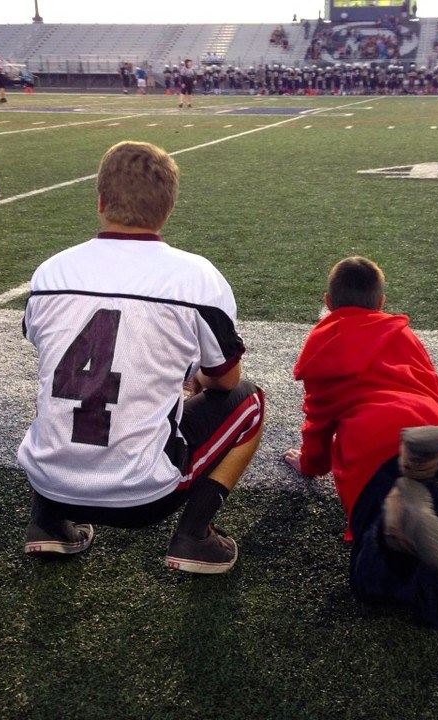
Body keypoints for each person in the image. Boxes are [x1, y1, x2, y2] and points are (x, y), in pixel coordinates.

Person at [18, 141, 265, 574]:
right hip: (142, 498)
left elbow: (54, 353)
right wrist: (191, 377)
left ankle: (48, 522)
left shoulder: (49, 273)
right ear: (167, 208)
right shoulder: (196, 277)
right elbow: (226, 382)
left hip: (48, 481)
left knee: (63, 395)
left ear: (99, 201)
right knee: (250, 401)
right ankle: (194, 537)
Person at [283, 257, 438, 628]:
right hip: (436, 435)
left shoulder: (324, 344)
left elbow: (318, 421)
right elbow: (436, 391)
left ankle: (391, 525)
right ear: (381, 302)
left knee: (370, 588)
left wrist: (309, 464)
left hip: (374, 442)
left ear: (328, 301)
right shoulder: (403, 333)